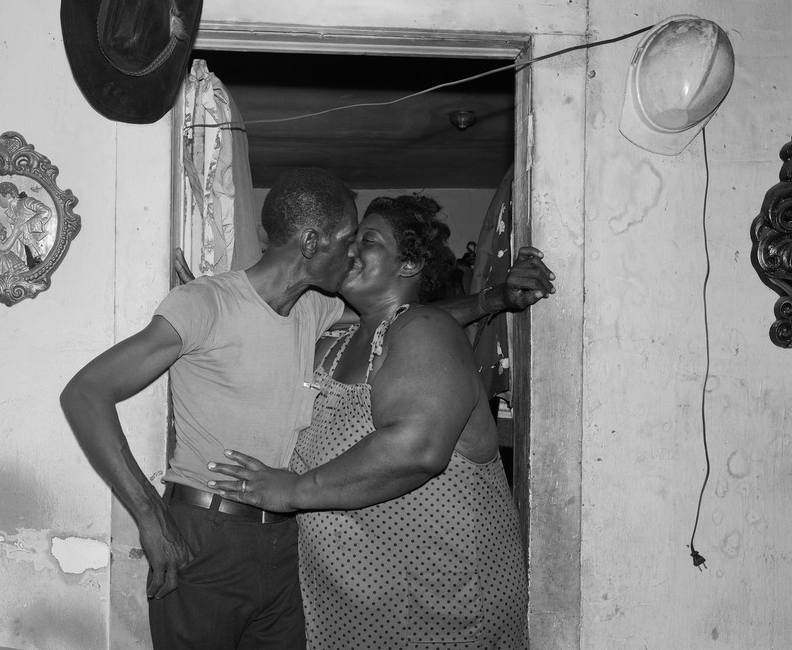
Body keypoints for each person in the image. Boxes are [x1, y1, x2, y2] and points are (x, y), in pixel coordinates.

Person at [62, 167, 554, 650]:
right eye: (349, 239)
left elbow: (407, 316)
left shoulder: (315, 312)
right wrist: (148, 515)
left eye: (367, 241)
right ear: (314, 241)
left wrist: (496, 298)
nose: (353, 251)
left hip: (288, 546)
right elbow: (86, 393)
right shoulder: (205, 303)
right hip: (207, 533)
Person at [207, 194, 551, 650]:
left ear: (408, 263)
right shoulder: (338, 337)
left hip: (438, 610)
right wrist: (220, 318)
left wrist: (291, 490)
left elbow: (416, 448)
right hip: (346, 608)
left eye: (365, 240)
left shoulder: (425, 330)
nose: (347, 249)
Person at [0, 181, 52, 268]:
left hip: (39, 247)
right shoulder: (10, 212)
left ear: (9, 195)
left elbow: (46, 211)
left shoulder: (26, 202)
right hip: (26, 252)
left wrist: (27, 226)